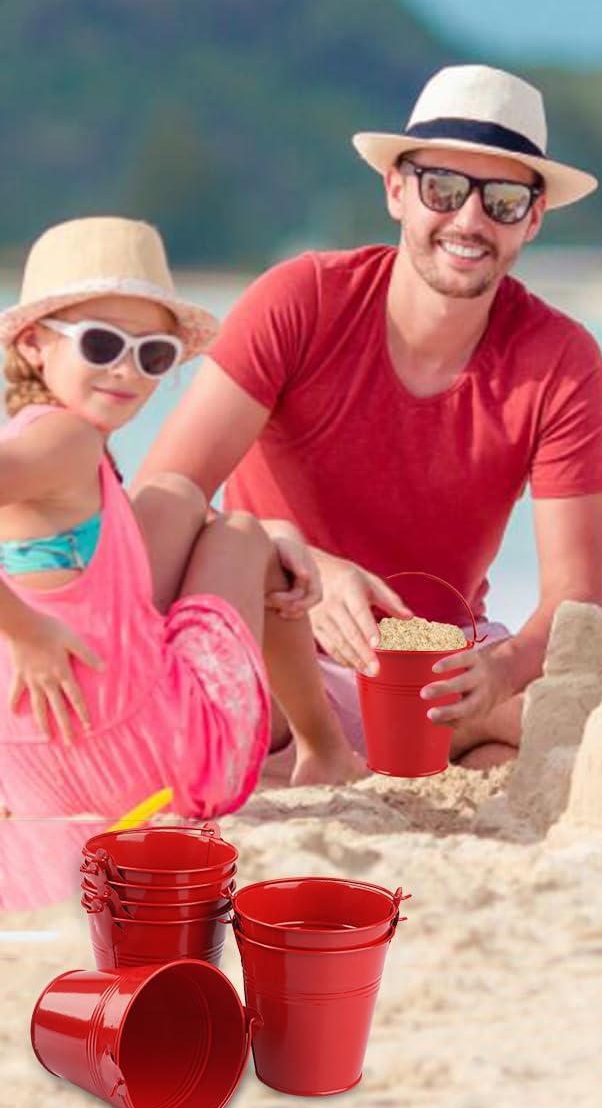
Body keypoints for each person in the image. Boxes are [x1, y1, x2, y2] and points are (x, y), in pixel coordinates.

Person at [139, 65, 602, 769]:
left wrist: (502, 671)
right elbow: (163, 503)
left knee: (586, 730)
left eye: (504, 200)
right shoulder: (301, 300)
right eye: (444, 189)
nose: (469, 220)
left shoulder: (561, 359)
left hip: (435, 679)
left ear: (534, 219)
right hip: (278, 654)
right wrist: (302, 562)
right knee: (217, 695)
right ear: (396, 189)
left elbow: (578, 608)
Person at [0, 217, 354, 875]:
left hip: (35, 771)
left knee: (177, 497)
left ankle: (320, 744)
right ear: (35, 343)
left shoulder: (43, 439)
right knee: (243, 533)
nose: (127, 371)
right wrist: (24, 631)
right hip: (146, 768)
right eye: (102, 344)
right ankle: (323, 747)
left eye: (152, 354)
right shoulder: (67, 444)